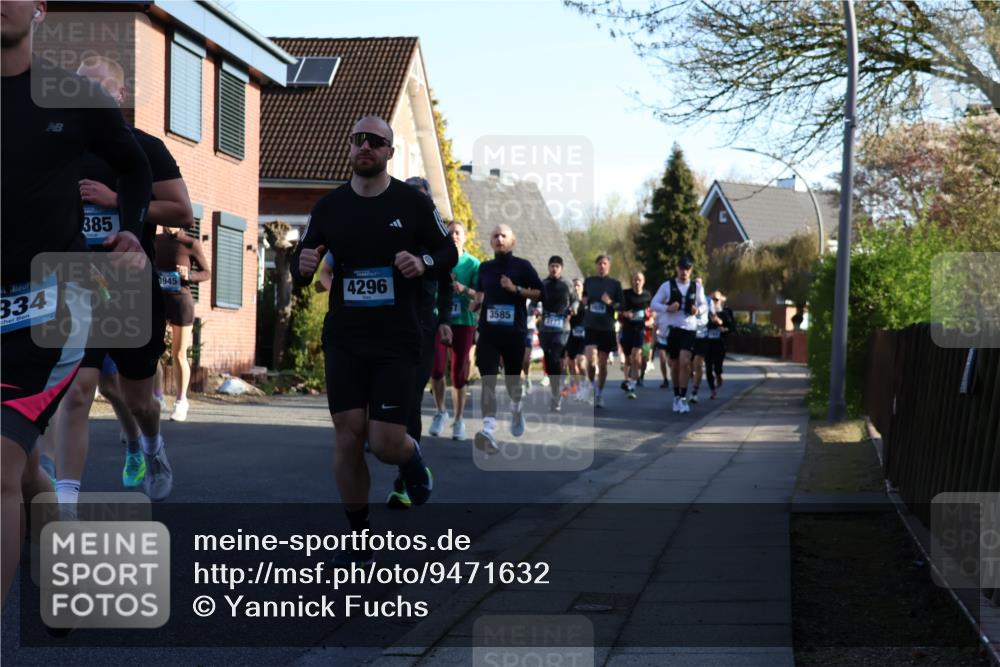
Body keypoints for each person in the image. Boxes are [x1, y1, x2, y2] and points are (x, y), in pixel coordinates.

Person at [1, 1, 152, 604]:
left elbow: (135, 165)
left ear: (38, 7)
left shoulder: (75, 97)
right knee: (22, 468)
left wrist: (132, 228)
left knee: (0, 465)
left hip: (50, 305)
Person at [291, 116, 456, 564]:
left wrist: (422, 260)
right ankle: (360, 534)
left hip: (397, 338)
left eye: (376, 141)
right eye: (359, 139)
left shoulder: (413, 203)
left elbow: (449, 253)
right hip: (345, 336)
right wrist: (301, 265)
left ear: (389, 152)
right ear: (350, 147)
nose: (366, 146)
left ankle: (411, 458)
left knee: (384, 443)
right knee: (347, 436)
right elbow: (300, 262)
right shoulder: (329, 207)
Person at [49, 55, 192, 517]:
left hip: (131, 287)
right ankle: (66, 503)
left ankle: (151, 445)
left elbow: (181, 212)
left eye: (100, 88)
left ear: (121, 96)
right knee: (78, 391)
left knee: (138, 399)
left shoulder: (145, 149)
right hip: (77, 284)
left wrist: (120, 200)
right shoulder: (61, 148)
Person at [386, 176, 452, 510]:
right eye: (411, 196)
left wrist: (444, 322)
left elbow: (447, 282)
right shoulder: (386, 226)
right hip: (384, 324)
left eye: (422, 198)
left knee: (411, 398)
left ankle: (404, 480)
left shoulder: (433, 238)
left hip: (422, 324)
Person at [470, 224, 543, 454]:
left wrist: (516, 289)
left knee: (513, 380)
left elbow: (540, 292)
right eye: (495, 236)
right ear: (491, 242)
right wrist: (475, 303)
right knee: (488, 380)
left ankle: (516, 408)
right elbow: (481, 293)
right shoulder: (485, 268)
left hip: (514, 332)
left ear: (512, 241)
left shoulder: (523, 266)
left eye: (504, 236)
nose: (499, 239)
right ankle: (489, 430)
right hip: (489, 333)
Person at [428, 221, 479, 441]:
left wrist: (463, 289)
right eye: (450, 233)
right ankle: (441, 411)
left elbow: (480, 296)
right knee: (437, 369)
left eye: (457, 233)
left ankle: (459, 420)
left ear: (465, 237)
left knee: (459, 373)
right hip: (439, 319)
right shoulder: (437, 260)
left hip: (463, 321)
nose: (454, 236)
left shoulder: (473, 264)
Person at [154, 225, 209, 421]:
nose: (169, 224)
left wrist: (189, 275)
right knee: (152, 351)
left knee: (178, 354)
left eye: (173, 220)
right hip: (158, 300)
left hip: (181, 302)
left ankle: (181, 401)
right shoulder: (156, 241)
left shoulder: (190, 243)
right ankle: (158, 396)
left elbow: (206, 273)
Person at [651, 257, 706, 414]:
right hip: (673, 329)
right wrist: (667, 307)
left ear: (691, 270)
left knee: (685, 361)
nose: (684, 272)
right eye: (682, 268)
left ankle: (683, 397)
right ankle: (676, 396)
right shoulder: (667, 286)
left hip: (689, 328)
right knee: (674, 364)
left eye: (687, 269)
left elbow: (704, 305)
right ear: (677, 269)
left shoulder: (697, 288)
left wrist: (698, 310)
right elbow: (653, 304)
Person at [581, 255, 624, 408]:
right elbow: (584, 295)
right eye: (599, 263)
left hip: (606, 327)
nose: (602, 266)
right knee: (591, 359)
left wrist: (610, 303)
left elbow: (622, 306)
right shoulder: (590, 281)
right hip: (591, 325)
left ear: (609, 266)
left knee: (603, 364)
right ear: (596, 265)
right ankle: (591, 385)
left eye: (604, 264)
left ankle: (599, 393)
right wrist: (584, 300)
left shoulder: (615, 284)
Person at [538, 256, 577, 411]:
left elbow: (576, 300)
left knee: (555, 357)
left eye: (557, 266)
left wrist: (573, 308)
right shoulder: (543, 284)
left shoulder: (567, 284)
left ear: (561, 268)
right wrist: (534, 309)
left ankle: (557, 393)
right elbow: (534, 301)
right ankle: (556, 391)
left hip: (562, 328)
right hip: (545, 328)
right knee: (549, 361)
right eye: (552, 266)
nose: (554, 269)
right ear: (548, 267)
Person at [620, 271, 652, 400]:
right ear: (632, 281)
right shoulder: (625, 294)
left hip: (639, 330)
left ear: (643, 282)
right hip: (627, 329)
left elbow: (651, 312)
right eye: (635, 279)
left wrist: (651, 320)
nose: (637, 282)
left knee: (635, 356)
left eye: (639, 280)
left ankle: (632, 386)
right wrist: (624, 314)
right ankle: (627, 381)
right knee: (628, 359)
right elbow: (618, 310)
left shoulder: (647, 296)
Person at [705, 290, 734, 399]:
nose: (714, 302)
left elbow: (732, 327)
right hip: (707, 342)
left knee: (717, 366)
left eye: (716, 299)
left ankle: (718, 374)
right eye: (711, 299)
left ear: (721, 300)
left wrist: (723, 327)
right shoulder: (706, 312)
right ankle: (712, 390)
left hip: (720, 343)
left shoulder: (726, 312)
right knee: (708, 367)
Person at [564, 278, 587, 398]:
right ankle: (579, 387)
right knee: (572, 363)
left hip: (584, 336)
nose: (576, 287)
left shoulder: (587, 302)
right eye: (574, 286)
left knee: (581, 362)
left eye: (578, 285)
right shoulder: (569, 302)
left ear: (582, 287)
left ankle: (584, 384)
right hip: (571, 335)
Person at [689, 283, 710, 403]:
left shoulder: (707, 301)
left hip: (702, 336)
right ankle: (691, 380)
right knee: (688, 364)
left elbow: (710, 316)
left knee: (698, 363)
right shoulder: (688, 299)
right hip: (690, 335)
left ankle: (694, 391)